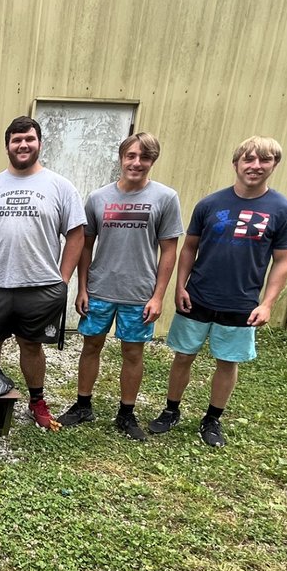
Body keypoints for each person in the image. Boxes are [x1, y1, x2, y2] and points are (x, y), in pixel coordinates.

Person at [148, 136, 287, 447]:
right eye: (249, 159)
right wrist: (180, 287)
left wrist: (268, 303)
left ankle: (213, 419)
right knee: (183, 356)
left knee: (227, 362)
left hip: (241, 301)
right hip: (198, 295)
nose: (256, 166)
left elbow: (283, 261)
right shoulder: (210, 204)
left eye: (264, 160)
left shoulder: (283, 210)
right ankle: (170, 410)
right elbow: (189, 248)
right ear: (236, 163)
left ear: (274, 165)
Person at [0, 115, 86, 430]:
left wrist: (63, 278)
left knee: (31, 345)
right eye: (16, 140)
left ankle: (37, 401)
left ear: (39, 143)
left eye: (29, 139)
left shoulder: (60, 186)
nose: (23, 144)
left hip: (39, 286)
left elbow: (76, 234)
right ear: (7, 147)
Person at [57, 133, 184, 440]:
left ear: (152, 161)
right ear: (121, 158)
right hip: (100, 290)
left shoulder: (165, 198)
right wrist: (83, 288)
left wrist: (158, 296)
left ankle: (126, 413)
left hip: (138, 294)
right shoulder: (98, 198)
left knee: (132, 353)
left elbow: (169, 251)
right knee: (91, 346)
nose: (136, 163)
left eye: (144, 157)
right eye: (131, 156)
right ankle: (83, 404)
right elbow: (85, 247)